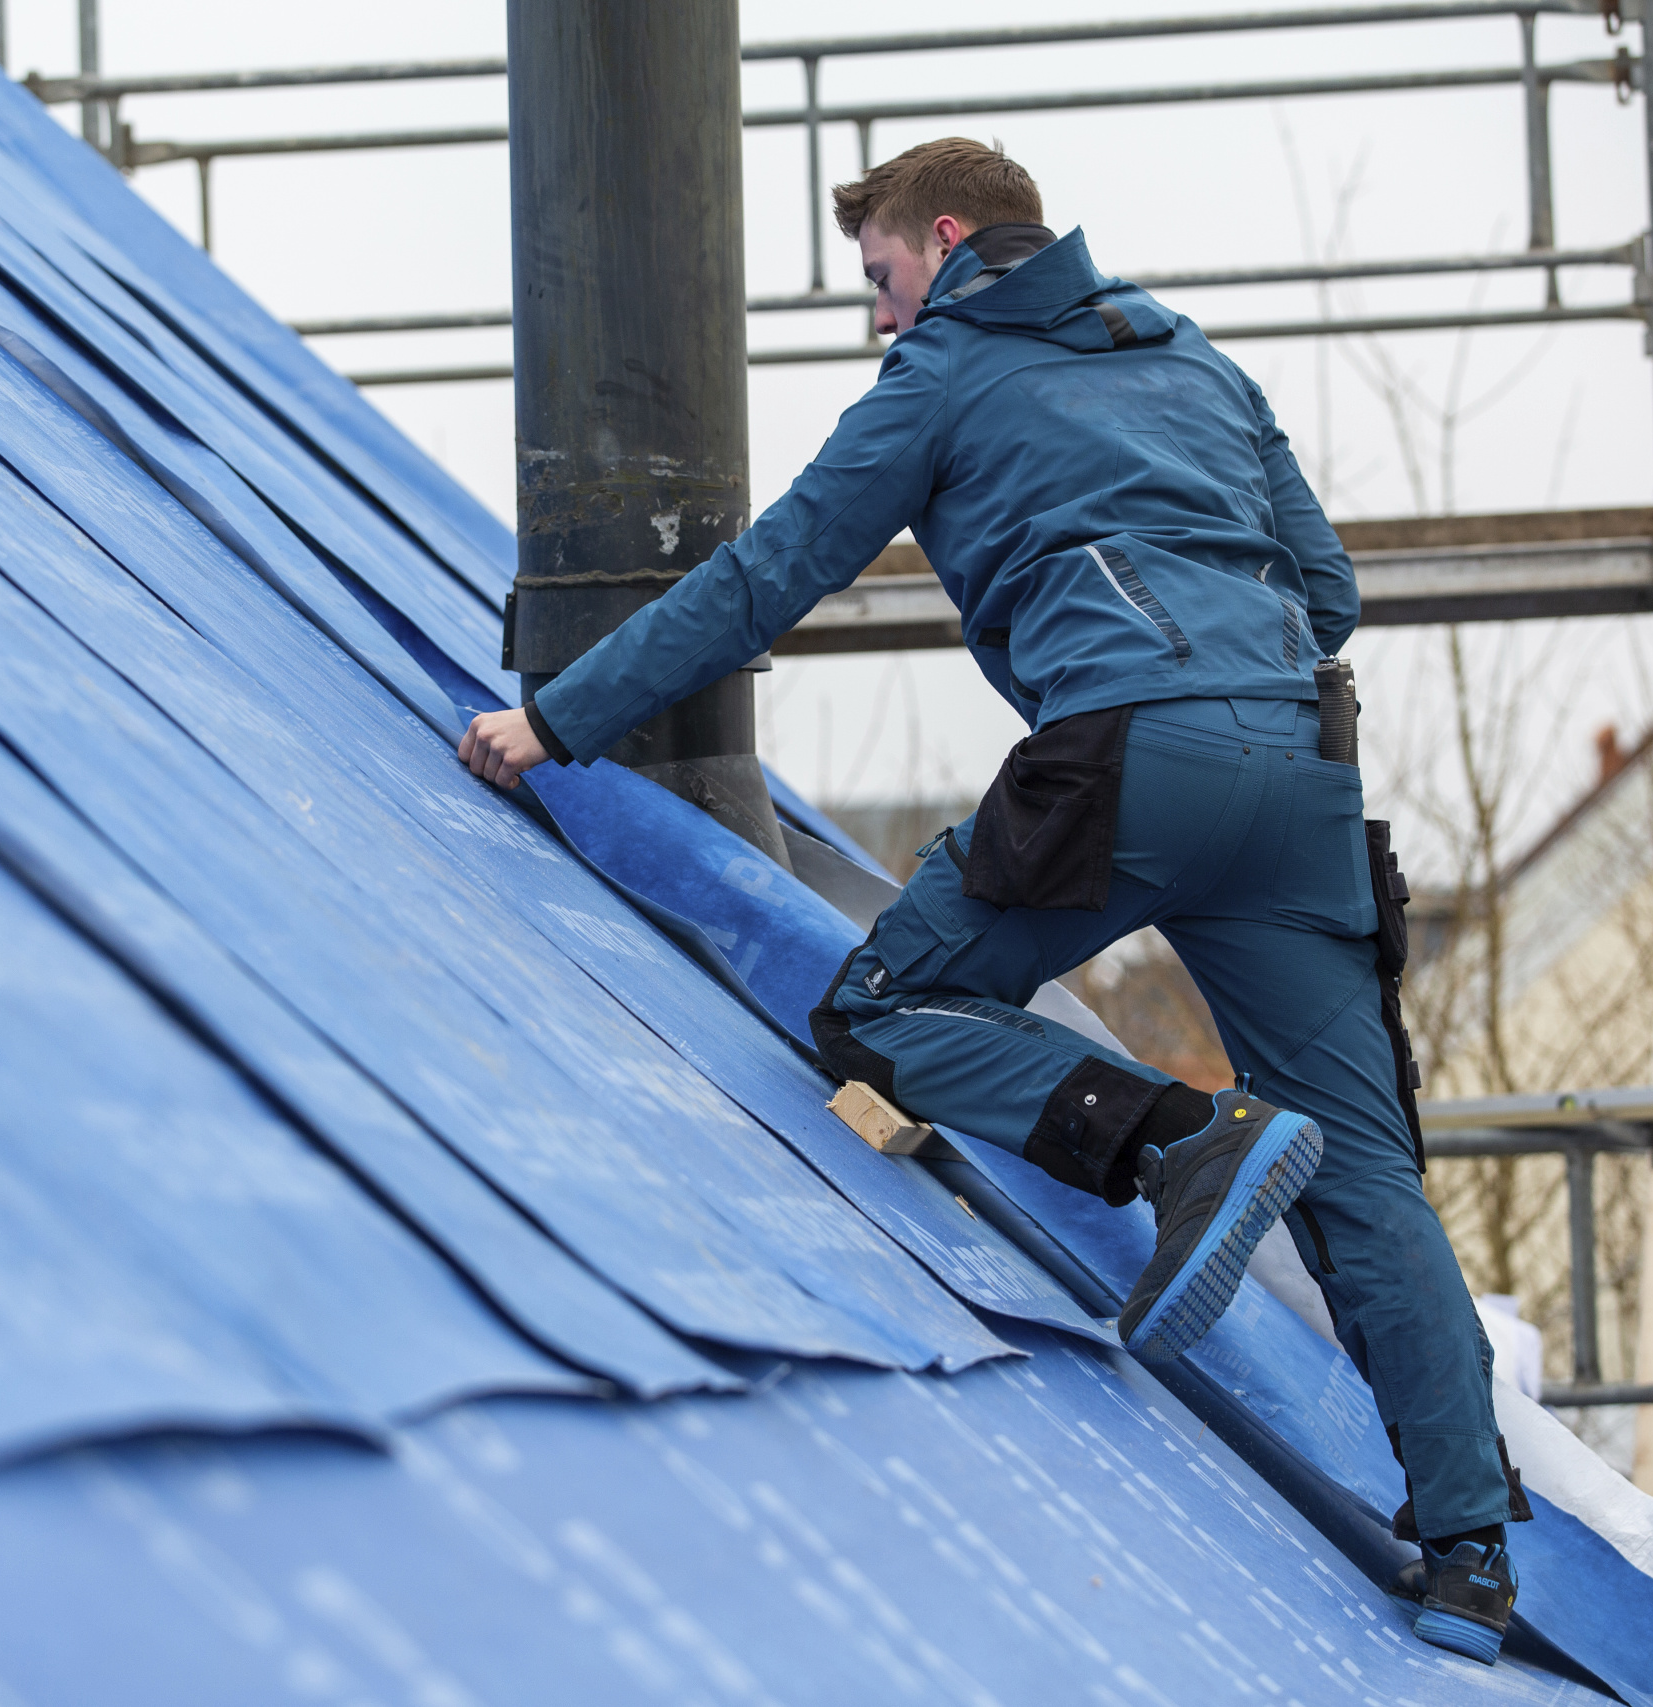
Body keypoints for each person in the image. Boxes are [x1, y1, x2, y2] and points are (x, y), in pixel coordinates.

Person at [458, 138, 1524, 1663]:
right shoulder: (1195, 359)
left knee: (877, 1010)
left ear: (945, 240)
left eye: (884, 279)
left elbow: (771, 576)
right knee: (1365, 1168)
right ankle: (1472, 1555)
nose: (883, 317)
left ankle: (1182, 1141)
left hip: (1123, 763)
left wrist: (558, 719)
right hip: (1301, 775)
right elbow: (1331, 589)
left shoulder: (945, 373)